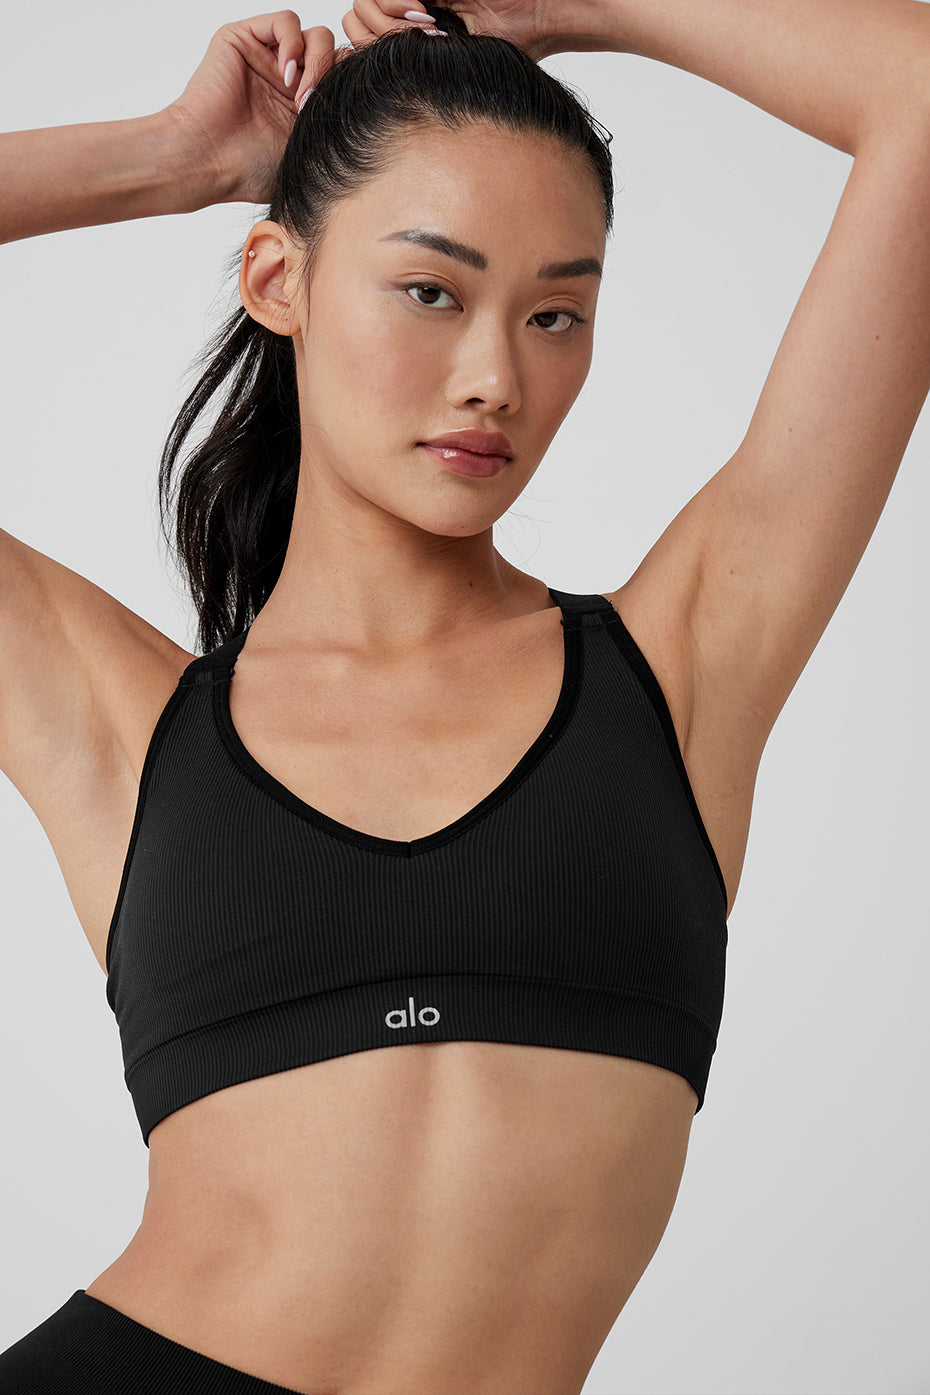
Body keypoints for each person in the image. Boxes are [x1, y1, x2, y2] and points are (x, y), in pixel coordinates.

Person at [1, 0, 928, 1389]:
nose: (496, 378)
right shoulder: (120, 725)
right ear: (278, 279)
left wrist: (566, 8)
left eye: (555, 314)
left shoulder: (680, 668)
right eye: (431, 291)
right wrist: (173, 159)